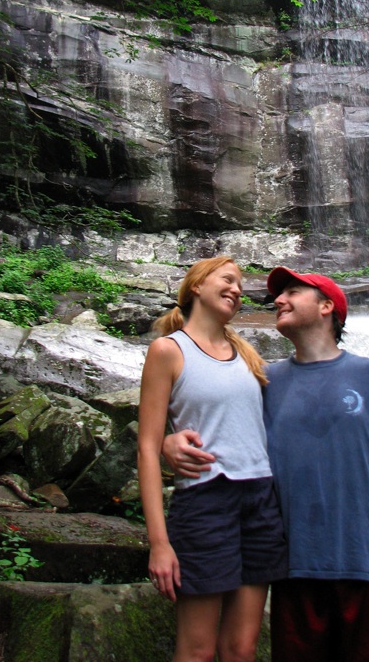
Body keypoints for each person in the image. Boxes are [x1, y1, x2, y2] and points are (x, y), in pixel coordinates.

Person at [163, 266, 369, 662]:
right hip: (294, 568)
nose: (277, 300)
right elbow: (215, 414)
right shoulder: (263, 380)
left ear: (327, 306)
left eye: (293, 292)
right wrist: (168, 439)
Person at [137, 256, 289, 662]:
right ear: (197, 286)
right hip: (206, 500)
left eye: (241, 285)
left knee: (241, 650)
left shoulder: (248, 356)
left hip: (261, 501)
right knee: (198, 651)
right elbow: (148, 450)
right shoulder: (168, 350)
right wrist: (159, 543)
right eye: (228, 279)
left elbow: (306, 379)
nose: (238, 290)